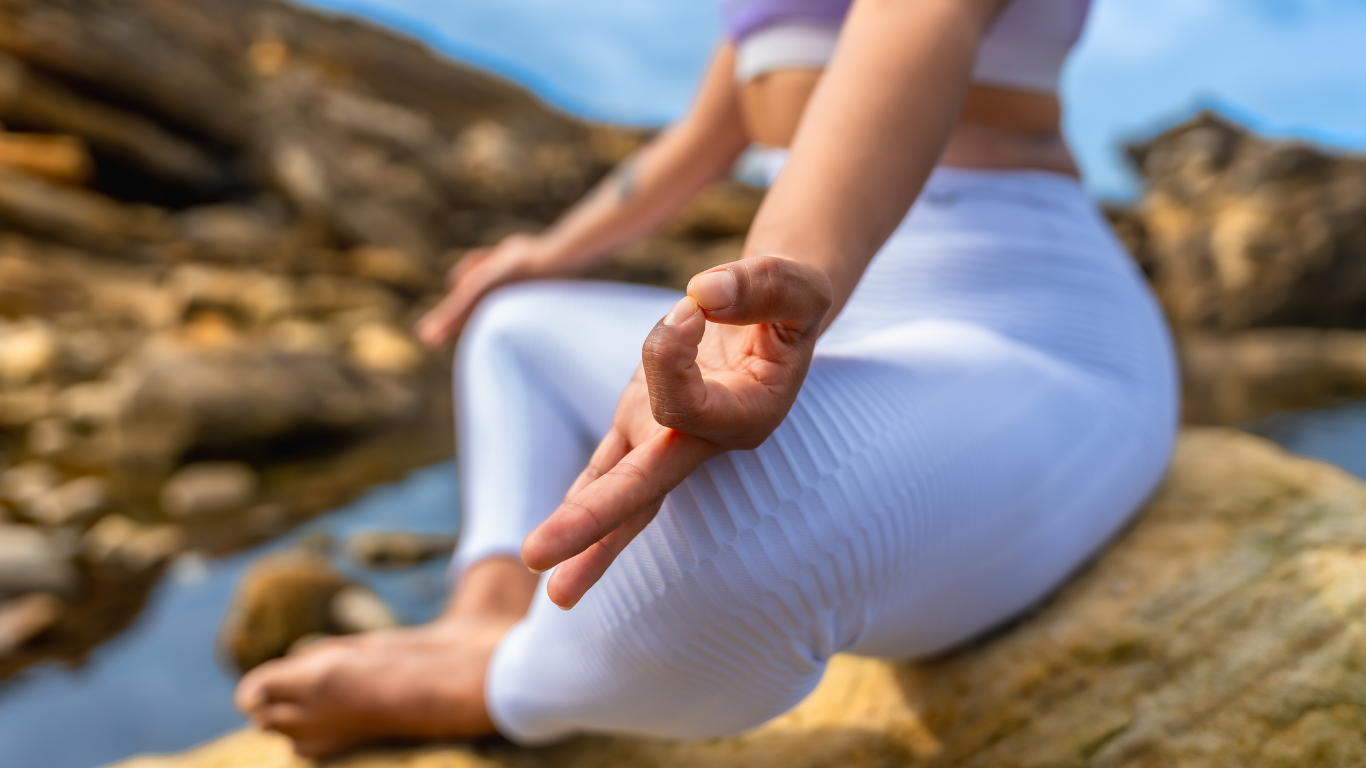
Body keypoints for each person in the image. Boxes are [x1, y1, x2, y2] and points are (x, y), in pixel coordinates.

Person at [235, 0, 1178, 756]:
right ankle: (483, 609)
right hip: (856, 321)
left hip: (1029, 341)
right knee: (513, 326)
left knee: (736, 536)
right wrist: (547, 249)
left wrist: (769, 307)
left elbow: (908, 25)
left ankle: (496, 684)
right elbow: (703, 139)